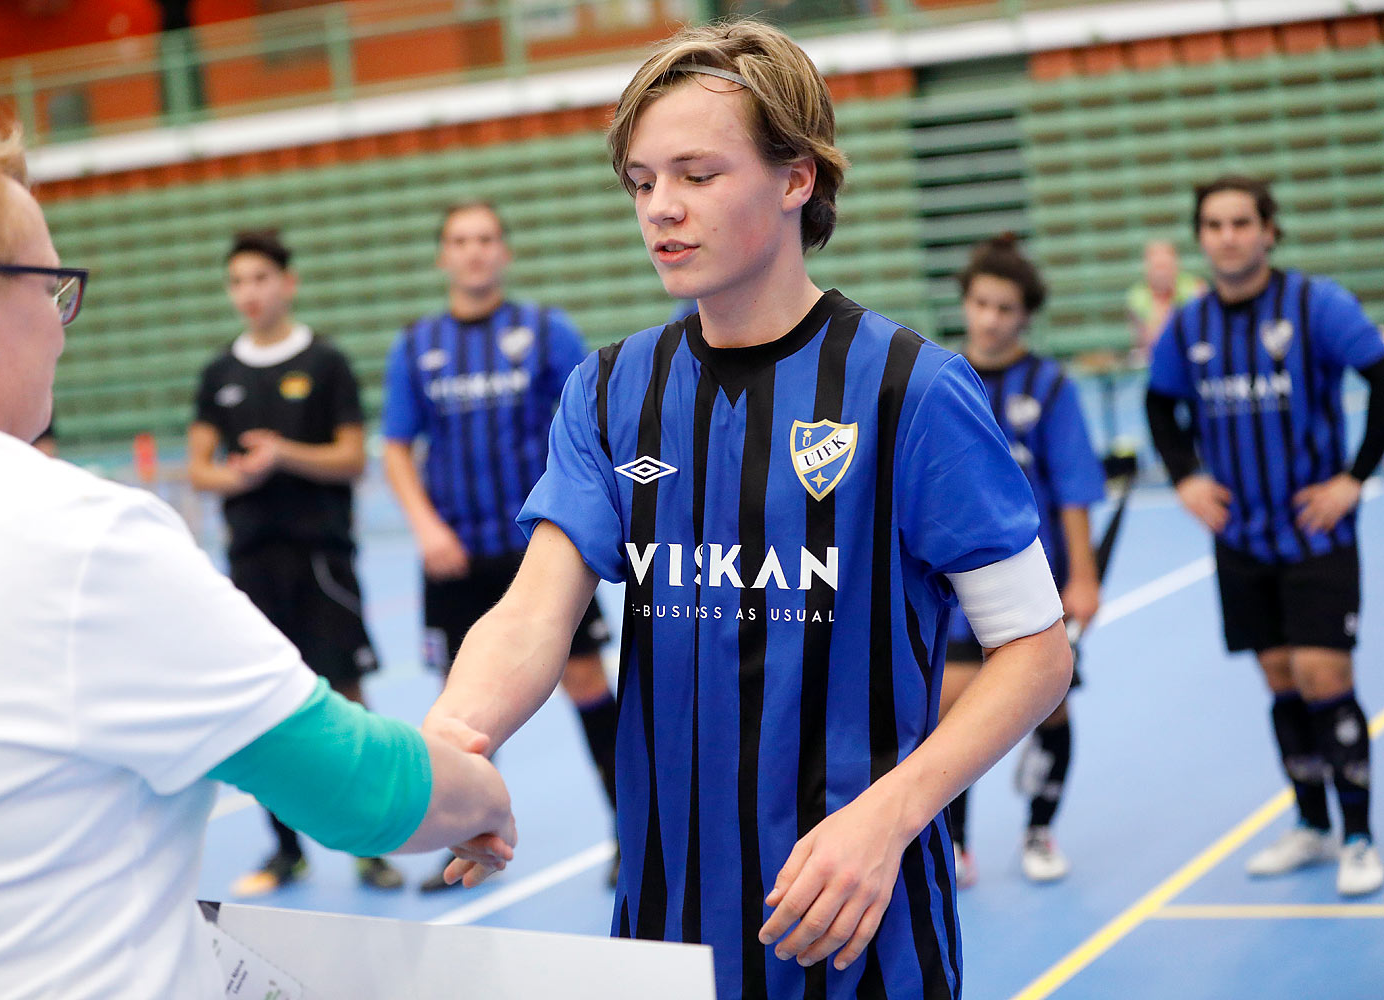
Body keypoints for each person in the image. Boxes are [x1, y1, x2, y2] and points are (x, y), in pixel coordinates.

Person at [423, 22, 1073, 999]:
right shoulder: (608, 393)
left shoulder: (913, 390)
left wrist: (892, 815)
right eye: (642, 182)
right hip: (661, 930)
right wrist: (451, 741)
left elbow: (1036, 648)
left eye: (696, 174)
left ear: (797, 178)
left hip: (856, 921)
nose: (660, 210)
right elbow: (533, 610)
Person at [0, 114, 514, 999]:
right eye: (52, 289)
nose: (62, 329)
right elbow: (369, 792)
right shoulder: (85, 541)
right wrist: (479, 793)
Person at [1146, 174, 1384, 897]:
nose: (1228, 236)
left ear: (1269, 230)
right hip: (1240, 538)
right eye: (1214, 225)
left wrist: (1354, 478)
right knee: (1280, 681)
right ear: (1202, 238)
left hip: (1315, 534)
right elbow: (1160, 406)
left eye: (1242, 222)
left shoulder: (1317, 305)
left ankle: (1360, 836)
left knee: (1324, 678)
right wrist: (1186, 476)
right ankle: (1311, 826)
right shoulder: (1188, 327)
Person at [383, 201, 620, 890]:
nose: (475, 252)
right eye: (460, 241)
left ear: (504, 252)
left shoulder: (545, 332)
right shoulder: (416, 344)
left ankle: (628, 834)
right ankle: (466, 844)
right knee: (465, 703)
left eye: (487, 239)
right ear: (443, 257)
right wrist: (427, 528)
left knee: (585, 684)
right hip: (456, 554)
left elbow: (592, 427)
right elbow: (397, 449)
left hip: (538, 553)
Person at [188, 230, 405, 895]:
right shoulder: (218, 373)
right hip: (252, 566)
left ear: (288, 282)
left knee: (347, 695)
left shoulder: (327, 361)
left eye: (260, 278)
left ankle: (372, 846)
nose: (248, 293)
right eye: (237, 282)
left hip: (322, 562)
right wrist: (240, 476)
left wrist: (284, 454)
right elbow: (200, 468)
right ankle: (287, 849)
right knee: (262, 705)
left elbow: (351, 458)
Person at [940, 236, 1104, 888]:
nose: (990, 319)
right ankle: (954, 844)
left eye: (1004, 308)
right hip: (954, 588)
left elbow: (1075, 488)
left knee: (1048, 708)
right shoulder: (941, 378)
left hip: (1037, 588)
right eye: (980, 303)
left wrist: (1084, 577)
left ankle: (1039, 828)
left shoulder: (1050, 387)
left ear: (1024, 316)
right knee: (952, 711)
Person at [1126, 239, 1205, 362]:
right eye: (1157, 267)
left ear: (1176, 265)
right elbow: (1150, 341)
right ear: (1147, 269)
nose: (1162, 273)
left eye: (1165, 266)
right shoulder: (1137, 297)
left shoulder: (1195, 288)